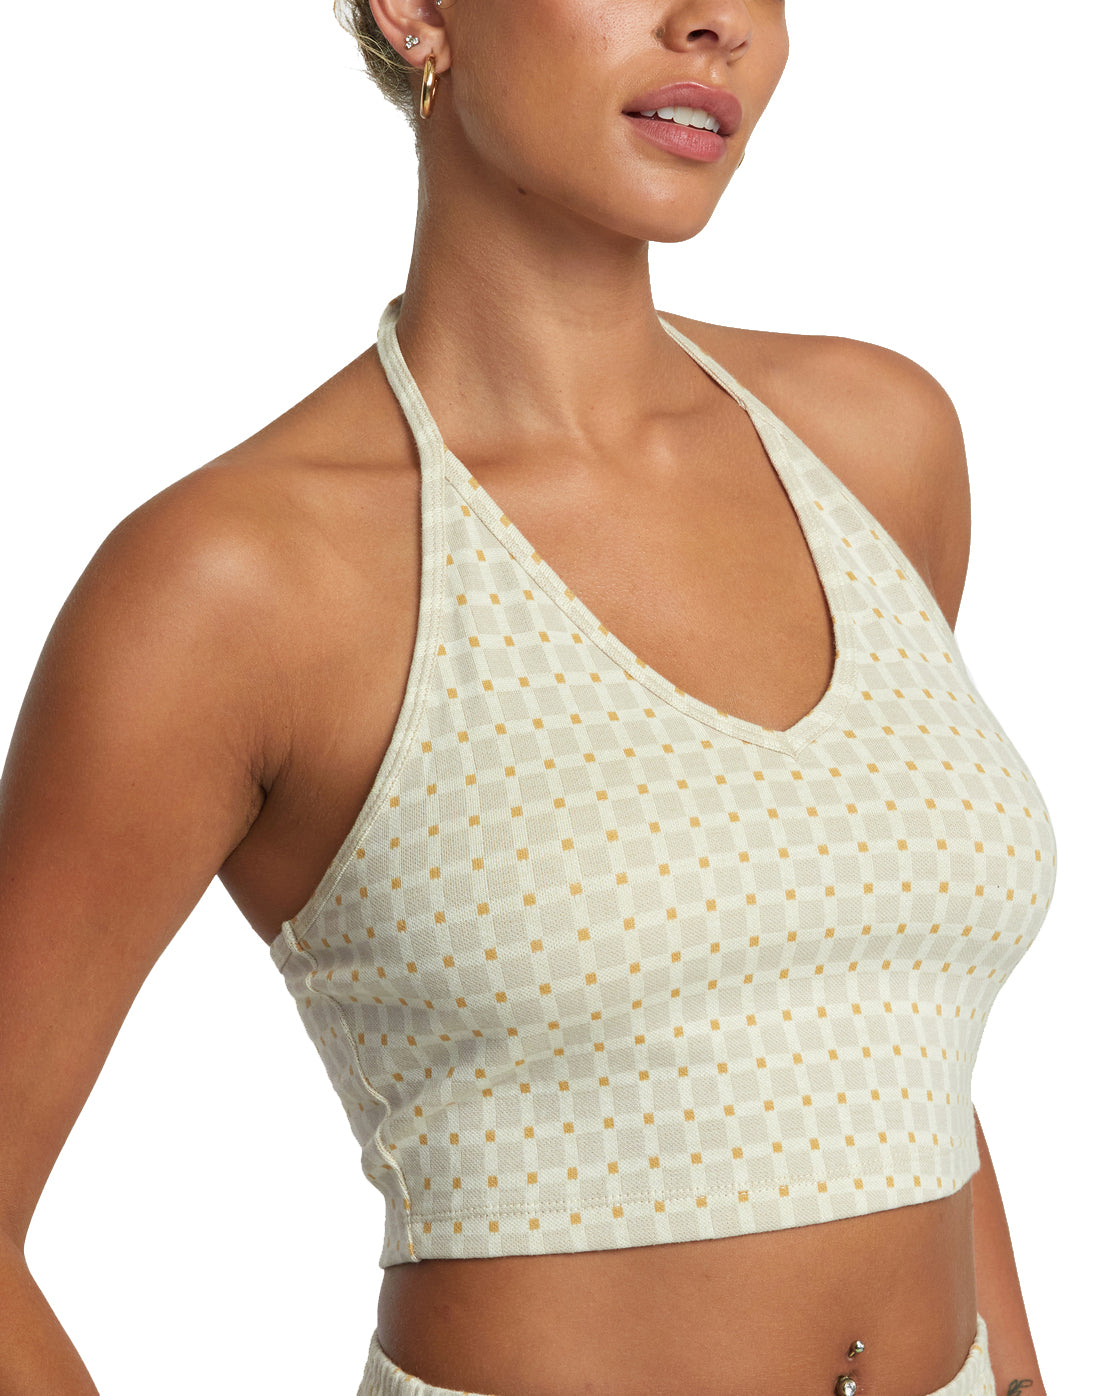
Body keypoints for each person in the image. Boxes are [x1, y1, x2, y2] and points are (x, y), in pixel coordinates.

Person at [0, 1, 1057, 1393]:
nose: (714, 22)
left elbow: (893, 1045)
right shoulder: (239, 581)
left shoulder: (875, 440)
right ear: (417, 12)